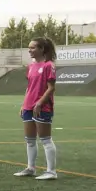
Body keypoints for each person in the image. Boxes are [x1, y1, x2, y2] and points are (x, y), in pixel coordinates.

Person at [15, 37, 59, 180]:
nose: (30, 50)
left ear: (42, 49)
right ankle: (31, 168)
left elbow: (51, 88)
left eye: (33, 48)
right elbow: (29, 87)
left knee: (46, 140)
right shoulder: (31, 66)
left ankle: (51, 171)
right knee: (30, 140)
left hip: (42, 107)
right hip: (29, 107)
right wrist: (24, 104)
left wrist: (40, 103)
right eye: (29, 48)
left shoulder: (48, 65)